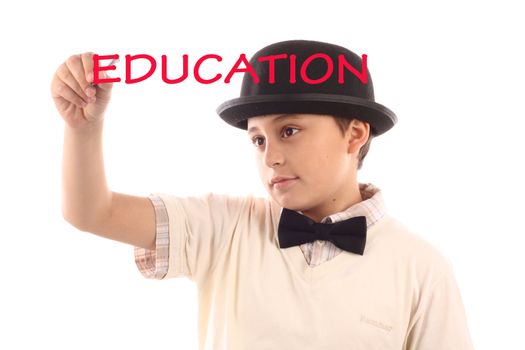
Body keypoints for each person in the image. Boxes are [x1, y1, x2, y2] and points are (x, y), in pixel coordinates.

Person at [52, 39, 475, 350]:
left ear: (355, 133)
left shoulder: (422, 269)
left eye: (289, 131)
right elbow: (93, 211)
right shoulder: (224, 228)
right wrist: (83, 129)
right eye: (257, 140)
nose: (270, 158)